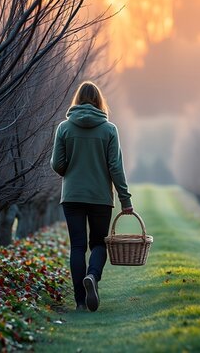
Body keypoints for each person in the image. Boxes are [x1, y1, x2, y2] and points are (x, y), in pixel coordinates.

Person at [50, 81, 133, 312]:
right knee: (98, 243)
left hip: (73, 196)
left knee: (77, 246)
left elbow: (57, 164)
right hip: (100, 197)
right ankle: (93, 277)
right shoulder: (109, 130)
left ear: (77, 100)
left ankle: (80, 302)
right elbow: (115, 167)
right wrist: (125, 200)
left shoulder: (64, 128)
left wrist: (70, 168)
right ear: (99, 101)